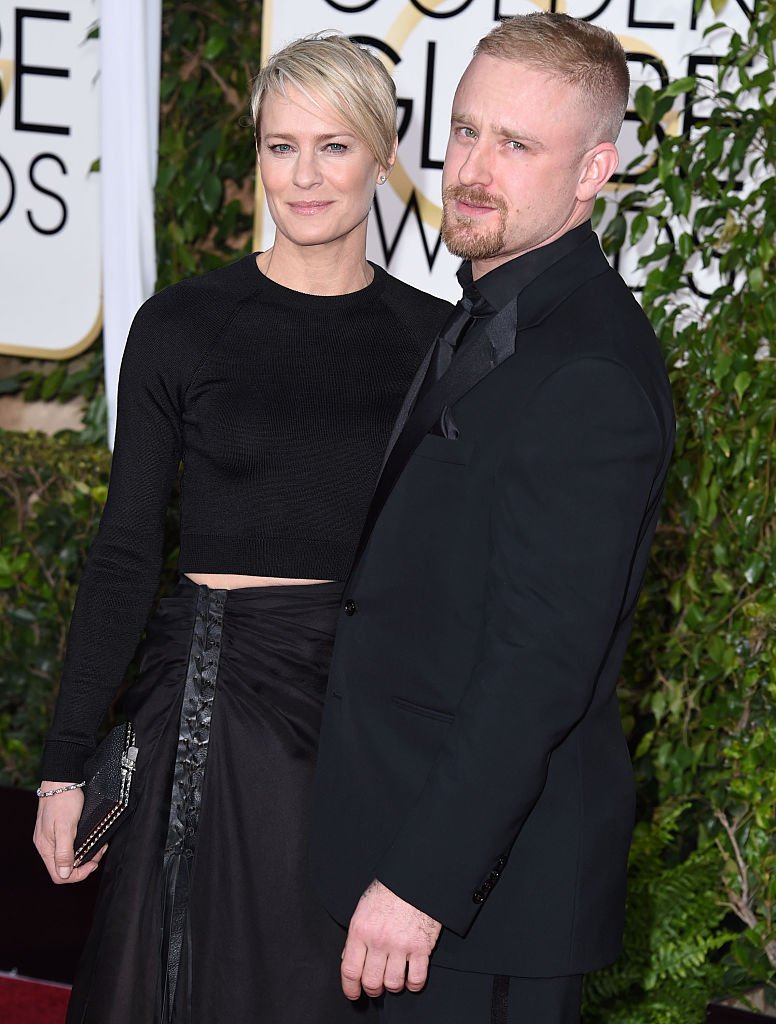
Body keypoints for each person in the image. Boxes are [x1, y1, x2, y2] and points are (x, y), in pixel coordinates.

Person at [32, 33, 451, 1024]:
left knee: (307, 983)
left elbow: (439, 575)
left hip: (338, 715)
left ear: (382, 154)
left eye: (333, 146)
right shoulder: (182, 324)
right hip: (186, 703)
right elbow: (127, 547)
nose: (302, 177)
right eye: (278, 147)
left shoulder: (432, 341)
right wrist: (60, 763)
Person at [311, 13, 675, 1024]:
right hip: (399, 854)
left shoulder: (590, 370)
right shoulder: (488, 305)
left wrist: (420, 884)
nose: (472, 167)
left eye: (516, 145)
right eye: (465, 131)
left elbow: (538, 667)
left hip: (478, 906)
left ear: (592, 170)